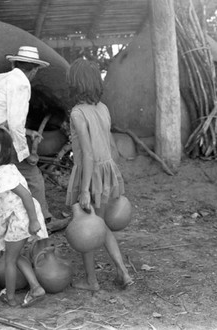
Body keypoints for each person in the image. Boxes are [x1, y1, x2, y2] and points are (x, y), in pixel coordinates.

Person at [0, 46, 68, 232]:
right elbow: (15, 124)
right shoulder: (21, 84)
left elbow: (2, 115)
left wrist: (28, 131)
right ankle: (46, 221)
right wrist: (26, 155)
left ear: (15, 64)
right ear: (34, 69)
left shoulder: (2, 78)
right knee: (33, 175)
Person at [65, 58, 133, 291]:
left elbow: (88, 154)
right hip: (108, 172)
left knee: (88, 226)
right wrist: (115, 175)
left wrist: (84, 190)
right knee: (100, 225)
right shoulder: (103, 108)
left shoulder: (77, 113)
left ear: (74, 84)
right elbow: (111, 147)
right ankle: (122, 271)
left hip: (90, 174)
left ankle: (92, 281)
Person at [0, 127, 47, 307]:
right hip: (18, 217)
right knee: (14, 256)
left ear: (6, 151)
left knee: (9, 261)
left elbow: (25, 195)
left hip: (20, 218)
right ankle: (36, 288)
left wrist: (33, 221)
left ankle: (10, 297)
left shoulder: (3, 173)